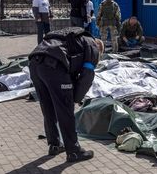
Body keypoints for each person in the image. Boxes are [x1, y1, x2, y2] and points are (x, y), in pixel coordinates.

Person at [28, 27, 104, 163]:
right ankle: (74, 151)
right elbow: (86, 76)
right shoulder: (92, 46)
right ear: (98, 48)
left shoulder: (74, 36)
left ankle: (54, 145)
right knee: (65, 111)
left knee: (48, 106)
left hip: (35, 63)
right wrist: (74, 99)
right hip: (54, 66)